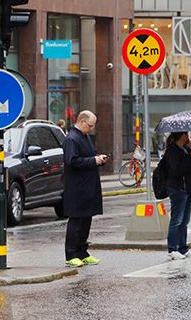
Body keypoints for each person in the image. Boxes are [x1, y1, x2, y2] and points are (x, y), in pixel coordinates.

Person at [62, 110, 108, 268]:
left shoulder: (85, 137)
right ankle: (71, 254)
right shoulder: (71, 139)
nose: (92, 129)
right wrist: (93, 160)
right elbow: (72, 161)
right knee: (76, 221)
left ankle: (82, 252)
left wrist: (99, 159)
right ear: (81, 122)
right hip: (77, 188)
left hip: (88, 185)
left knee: (86, 220)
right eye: (90, 125)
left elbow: (89, 157)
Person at [162, 131, 191, 260]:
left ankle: (183, 248)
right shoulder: (172, 151)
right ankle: (172, 249)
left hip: (188, 189)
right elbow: (177, 170)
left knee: (185, 221)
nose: (188, 137)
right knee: (177, 220)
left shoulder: (186, 148)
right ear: (181, 136)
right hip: (177, 189)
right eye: (186, 135)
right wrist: (190, 157)